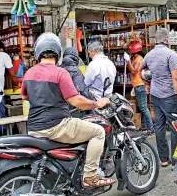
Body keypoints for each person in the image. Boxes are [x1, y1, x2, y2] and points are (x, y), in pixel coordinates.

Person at [23, 32, 115, 187]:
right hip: (57, 125)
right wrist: (97, 104)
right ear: (58, 53)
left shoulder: (29, 73)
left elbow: (25, 97)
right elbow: (77, 101)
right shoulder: (60, 72)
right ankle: (90, 176)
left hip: (33, 127)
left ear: (38, 52)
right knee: (98, 132)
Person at [137, 28, 177, 168]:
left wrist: (147, 83)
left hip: (155, 95)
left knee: (159, 127)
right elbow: (176, 77)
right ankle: (176, 160)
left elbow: (139, 70)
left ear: (156, 40)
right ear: (167, 40)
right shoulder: (170, 54)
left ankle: (164, 159)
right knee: (175, 127)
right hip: (169, 95)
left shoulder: (149, 54)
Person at [123, 41, 154, 133]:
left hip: (140, 85)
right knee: (142, 107)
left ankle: (150, 128)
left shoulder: (138, 59)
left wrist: (128, 60)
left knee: (143, 107)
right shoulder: (137, 58)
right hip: (138, 85)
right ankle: (144, 126)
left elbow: (133, 71)